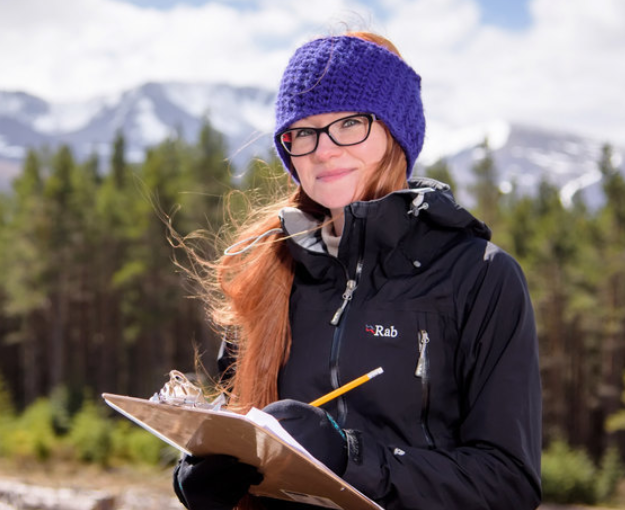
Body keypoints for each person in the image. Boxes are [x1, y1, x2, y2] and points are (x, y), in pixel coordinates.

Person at [172, 31, 542, 509]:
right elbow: (234, 427)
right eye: (302, 132)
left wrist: (348, 458)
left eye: (349, 123)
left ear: (396, 134)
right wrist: (199, 477)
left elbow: (509, 483)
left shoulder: (480, 277)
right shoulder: (268, 271)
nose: (323, 149)